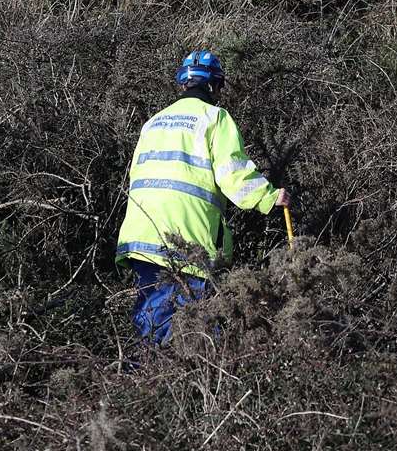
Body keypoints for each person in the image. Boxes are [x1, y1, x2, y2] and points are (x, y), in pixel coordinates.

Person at [114, 50, 290, 345]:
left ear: (183, 84)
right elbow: (233, 175)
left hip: (141, 239)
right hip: (187, 242)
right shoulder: (215, 118)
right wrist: (269, 197)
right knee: (202, 333)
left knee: (151, 329)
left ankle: (143, 385)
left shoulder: (153, 122)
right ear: (215, 85)